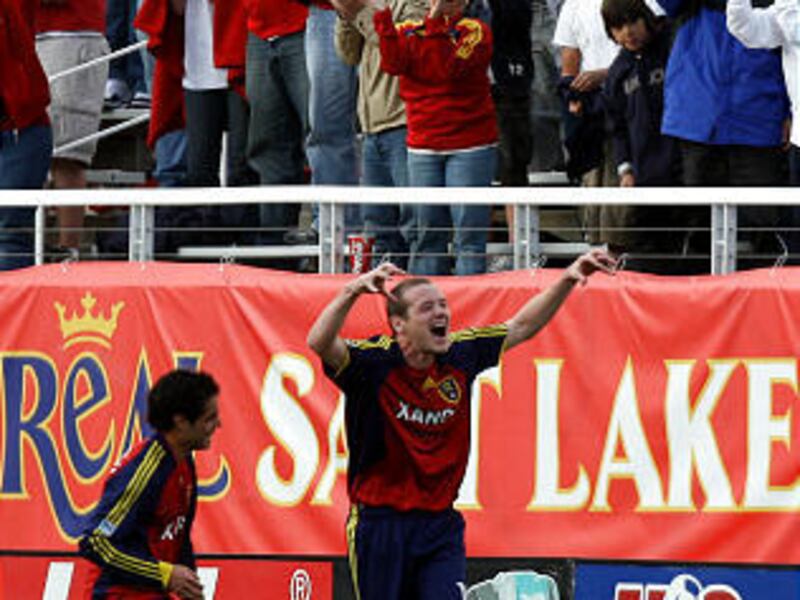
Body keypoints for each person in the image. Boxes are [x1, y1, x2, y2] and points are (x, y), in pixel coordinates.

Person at [307, 249, 616, 600]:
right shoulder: (372, 363)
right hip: (380, 525)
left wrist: (567, 278)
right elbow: (318, 341)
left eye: (442, 305)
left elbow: (521, 326)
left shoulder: (460, 355)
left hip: (440, 526)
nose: (440, 312)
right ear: (399, 325)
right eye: (426, 308)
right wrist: (352, 291)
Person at [374, 0, 498, 275]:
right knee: (428, 236)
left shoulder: (476, 31)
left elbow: (445, 69)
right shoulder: (407, 29)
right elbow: (392, 63)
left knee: (468, 238)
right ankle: (425, 311)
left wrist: (432, 22)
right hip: (423, 145)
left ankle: (472, 313)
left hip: (470, 145)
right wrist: (383, 18)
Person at [78, 370, 221, 600]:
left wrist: (189, 587)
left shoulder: (184, 461)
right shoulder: (144, 470)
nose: (218, 425)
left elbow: (179, 538)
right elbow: (95, 542)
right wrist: (165, 574)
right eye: (209, 419)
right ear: (181, 422)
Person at [332, 0, 428, 268]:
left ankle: (419, 297)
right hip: (372, 126)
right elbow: (348, 55)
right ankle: (380, 303)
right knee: (377, 229)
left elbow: (405, 50)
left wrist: (359, 11)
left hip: (407, 123)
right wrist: (344, 15)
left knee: (415, 225)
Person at [600, 0, 686, 272]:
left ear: (646, 19)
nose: (627, 32)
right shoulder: (617, 73)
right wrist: (625, 169)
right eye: (617, 27)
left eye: (632, 22)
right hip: (645, 175)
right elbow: (617, 128)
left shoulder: (672, 44)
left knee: (689, 243)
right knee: (648, 251)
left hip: (684, 166)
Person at [36, 0, 110, 258]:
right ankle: (30, 245)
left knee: (66, 153)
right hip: (30, 33)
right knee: (28, 150)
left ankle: (67, 250)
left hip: (70, 35)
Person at [0, 0, 52, 270]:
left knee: (10, 235)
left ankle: (10, 311)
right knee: (11, 235)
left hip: (21, 126)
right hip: (22, 126)